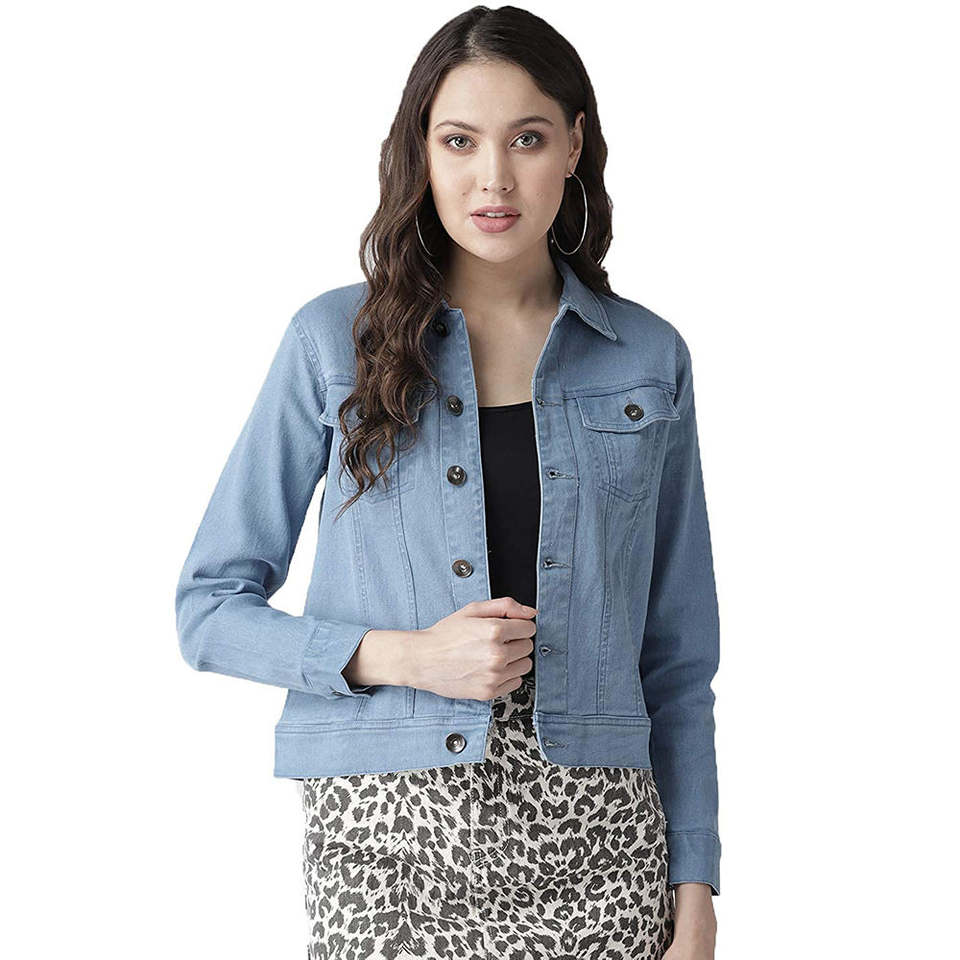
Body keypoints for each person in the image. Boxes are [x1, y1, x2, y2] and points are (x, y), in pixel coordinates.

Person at [175, 7, 721, 959]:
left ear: (574, 146)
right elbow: (208, 608)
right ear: (419, 153)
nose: (493, 178)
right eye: (460, 141)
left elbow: (677, 657)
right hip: (389, 843)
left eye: (528, 139)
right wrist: (403, 657)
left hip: (603, 845)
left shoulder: (646, 356)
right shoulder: (332, 343)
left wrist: (699, 885)